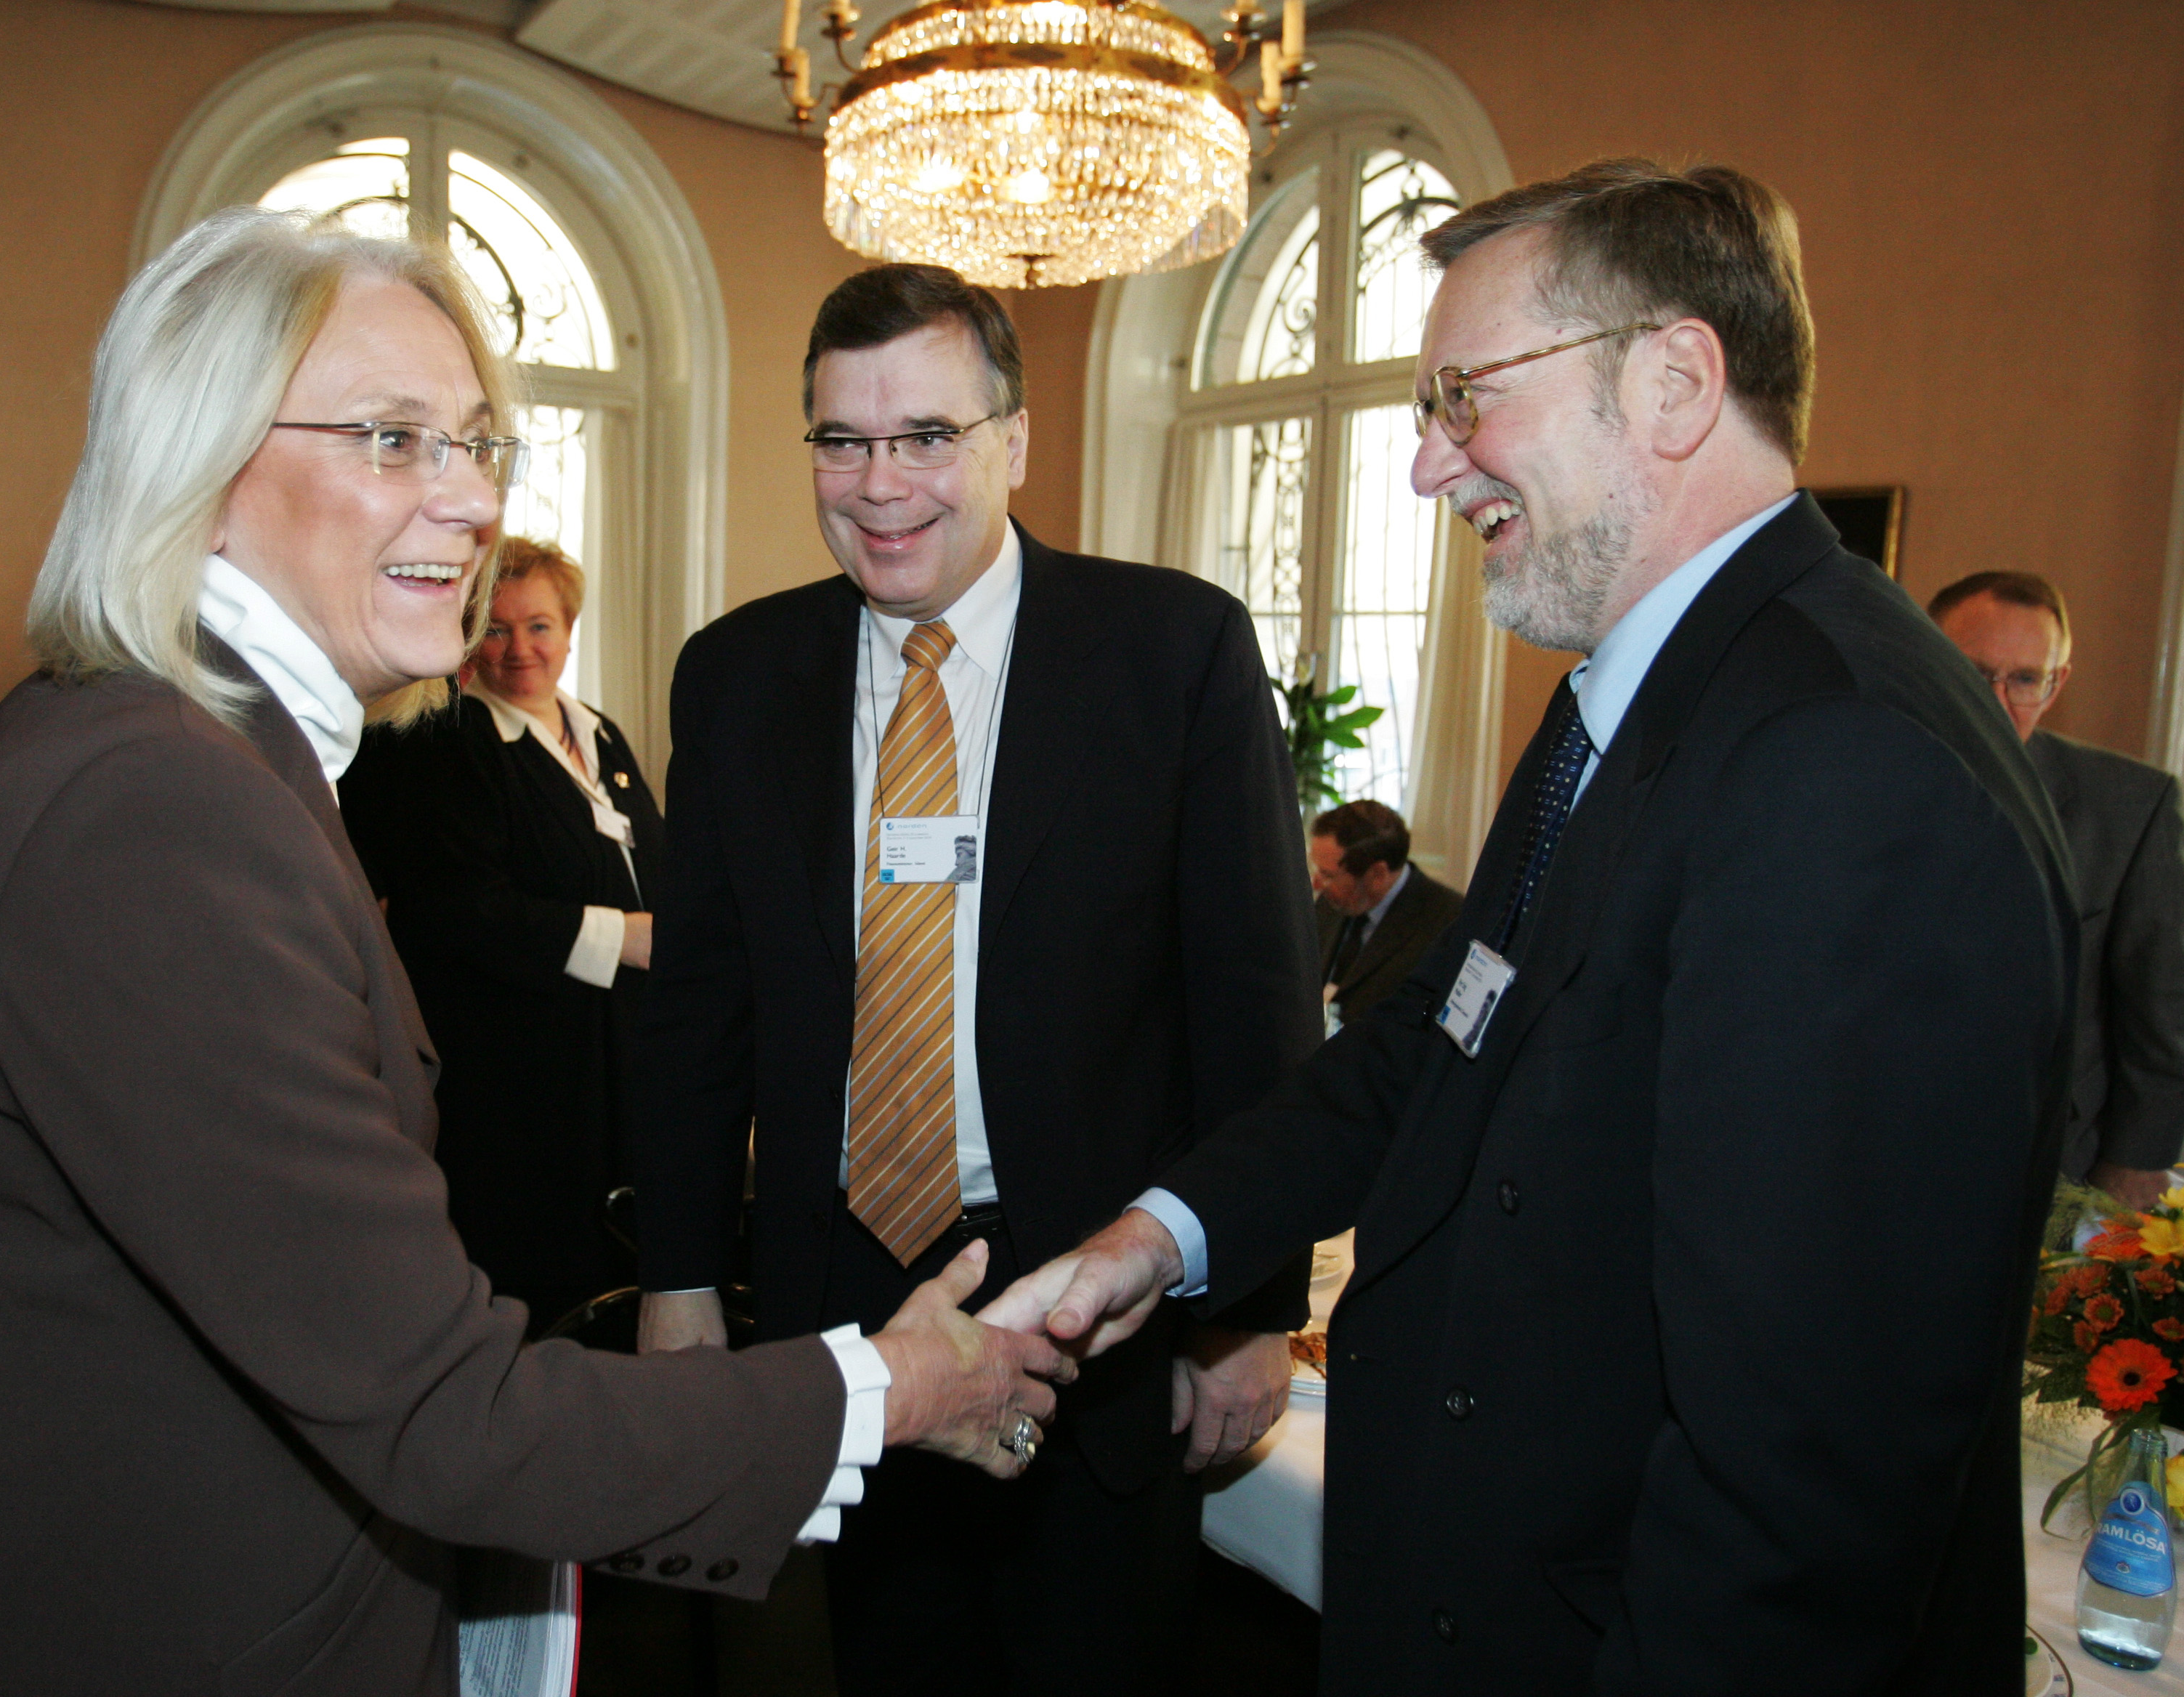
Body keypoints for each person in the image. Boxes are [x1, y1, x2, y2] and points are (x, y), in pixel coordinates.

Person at [0, 208, 1068, 1697]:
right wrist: (887, 1385)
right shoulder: (154, 809)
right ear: (199, 467)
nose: (471, 501)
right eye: (393, 439)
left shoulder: (191, 752)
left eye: (479, 443)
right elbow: (442, 1412)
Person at [986, 159, 2075, 1691]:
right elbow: (1432, 1049)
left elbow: (1799, 1489)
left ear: (1674, 382)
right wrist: (1152, 1241)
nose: (1433, 469)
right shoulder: (1632, 705)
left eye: (1463, 399)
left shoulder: (1846, 765)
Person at [631, 264, 1321, 1696]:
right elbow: (698, 1006)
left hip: (1099, 1303)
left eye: (927, 436)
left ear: (1015, 439)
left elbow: (1251, 998)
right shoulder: (737, 675)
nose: (880, 485)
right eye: (841, 440)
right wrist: (682, 1275)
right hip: (851, 1307)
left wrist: (1251, 1305)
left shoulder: (1173, 652)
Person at [339, 537, 658, 1332]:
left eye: (541, 626)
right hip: (516, 1078)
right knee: (537, 1276)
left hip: (613, 1059)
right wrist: (623, 937)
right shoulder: (443, 737)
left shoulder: (600, 733)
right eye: (498, 627)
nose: (521, 649)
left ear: (571, 630)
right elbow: (456, 910)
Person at [1931, 570, 2184, 1208]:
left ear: (2057, 684)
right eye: (1974, 671)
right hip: (1868, 1148)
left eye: (2025, 679)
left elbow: (2163, 1014)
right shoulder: (1846, 781)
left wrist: (2134, 1169)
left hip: (2051, 1166)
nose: (1997, 700)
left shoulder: (2132, 807)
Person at [1307, 799, 1463, 1024]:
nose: (1316, 884)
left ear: (1378, 874)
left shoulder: (1447, 922)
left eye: (1328, 875)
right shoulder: (1333, 900)